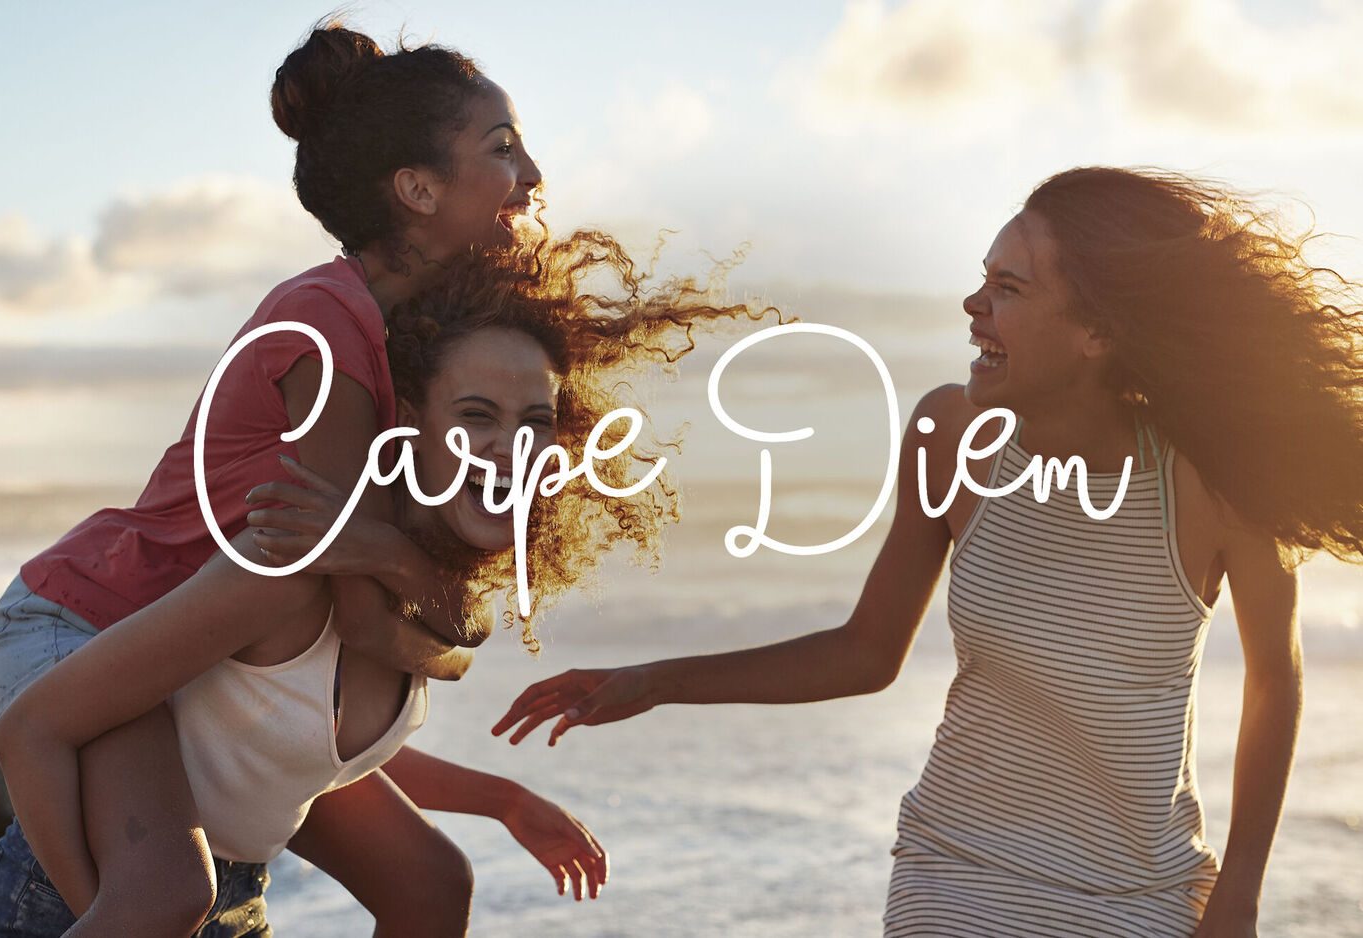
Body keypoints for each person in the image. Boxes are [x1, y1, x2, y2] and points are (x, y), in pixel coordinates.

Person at [494, 167, 1363, 937]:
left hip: (1141, 896)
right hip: (954, 872)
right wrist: (654, 682)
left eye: (1008, 288)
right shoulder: (951, 436)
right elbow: (868, 651)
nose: (973, 305)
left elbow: (1273, 681)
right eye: (982, 278)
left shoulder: (1213, 483)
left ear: (1097, 332)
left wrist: (1238, 899)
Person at [0, 234, 764, 938]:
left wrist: (505, 800)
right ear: (410, 422)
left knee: (436, 880)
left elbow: (291, 751)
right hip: (87, 905)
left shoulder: (418, 594)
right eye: (476, 415)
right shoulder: (290, 565)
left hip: (229, 899)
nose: (512, 449)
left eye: (535, 422)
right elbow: (35, 726)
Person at [0, 19, 548, 937]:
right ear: (417, 189)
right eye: (504, 148)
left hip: (189, 640)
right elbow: (365, 617)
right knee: (166, 894)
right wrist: (417, 590)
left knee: (431, 881)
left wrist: (423, 594)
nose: (533, 175)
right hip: (85, 622)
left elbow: (397, 621)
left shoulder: (400, 334)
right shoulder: (326, 330)